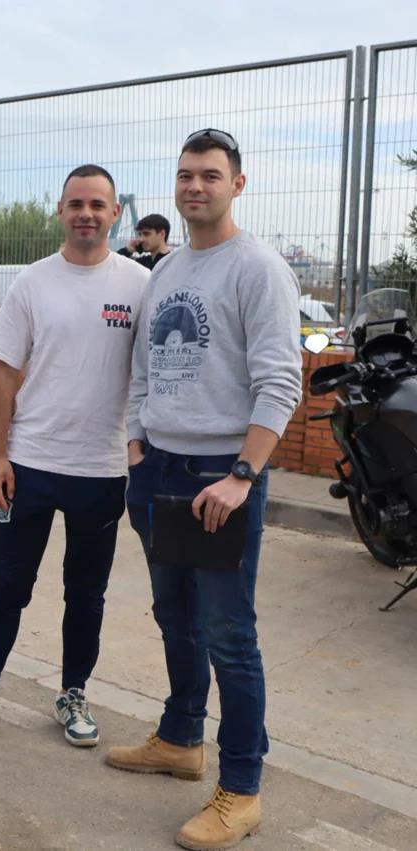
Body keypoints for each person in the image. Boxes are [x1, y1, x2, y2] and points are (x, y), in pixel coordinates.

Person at [107, 129, 301, 850]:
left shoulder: (257, 269)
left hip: (222, 475)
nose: (195, 186)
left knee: (229, 635)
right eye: (185, 175)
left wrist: (243, 474)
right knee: (174, 616)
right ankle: (182, 738)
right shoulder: (168, 269)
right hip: (158, 467)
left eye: (210, 175)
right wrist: (135, 442)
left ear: (237, 185)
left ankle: (241, 789)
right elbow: (145, 363)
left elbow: (280, 380)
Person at [0, 165, 150, 752]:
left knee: (87, 595)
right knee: (5, 588)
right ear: (60, 211)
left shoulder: (138, 285)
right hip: (28, 467)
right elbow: (1, 374)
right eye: (76, 203)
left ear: (114, 214)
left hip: (101, 473)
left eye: (98, 204)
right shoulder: (32, 282)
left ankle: (73, 692)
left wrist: (139, 445)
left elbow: (153, 375)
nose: (87, 213)